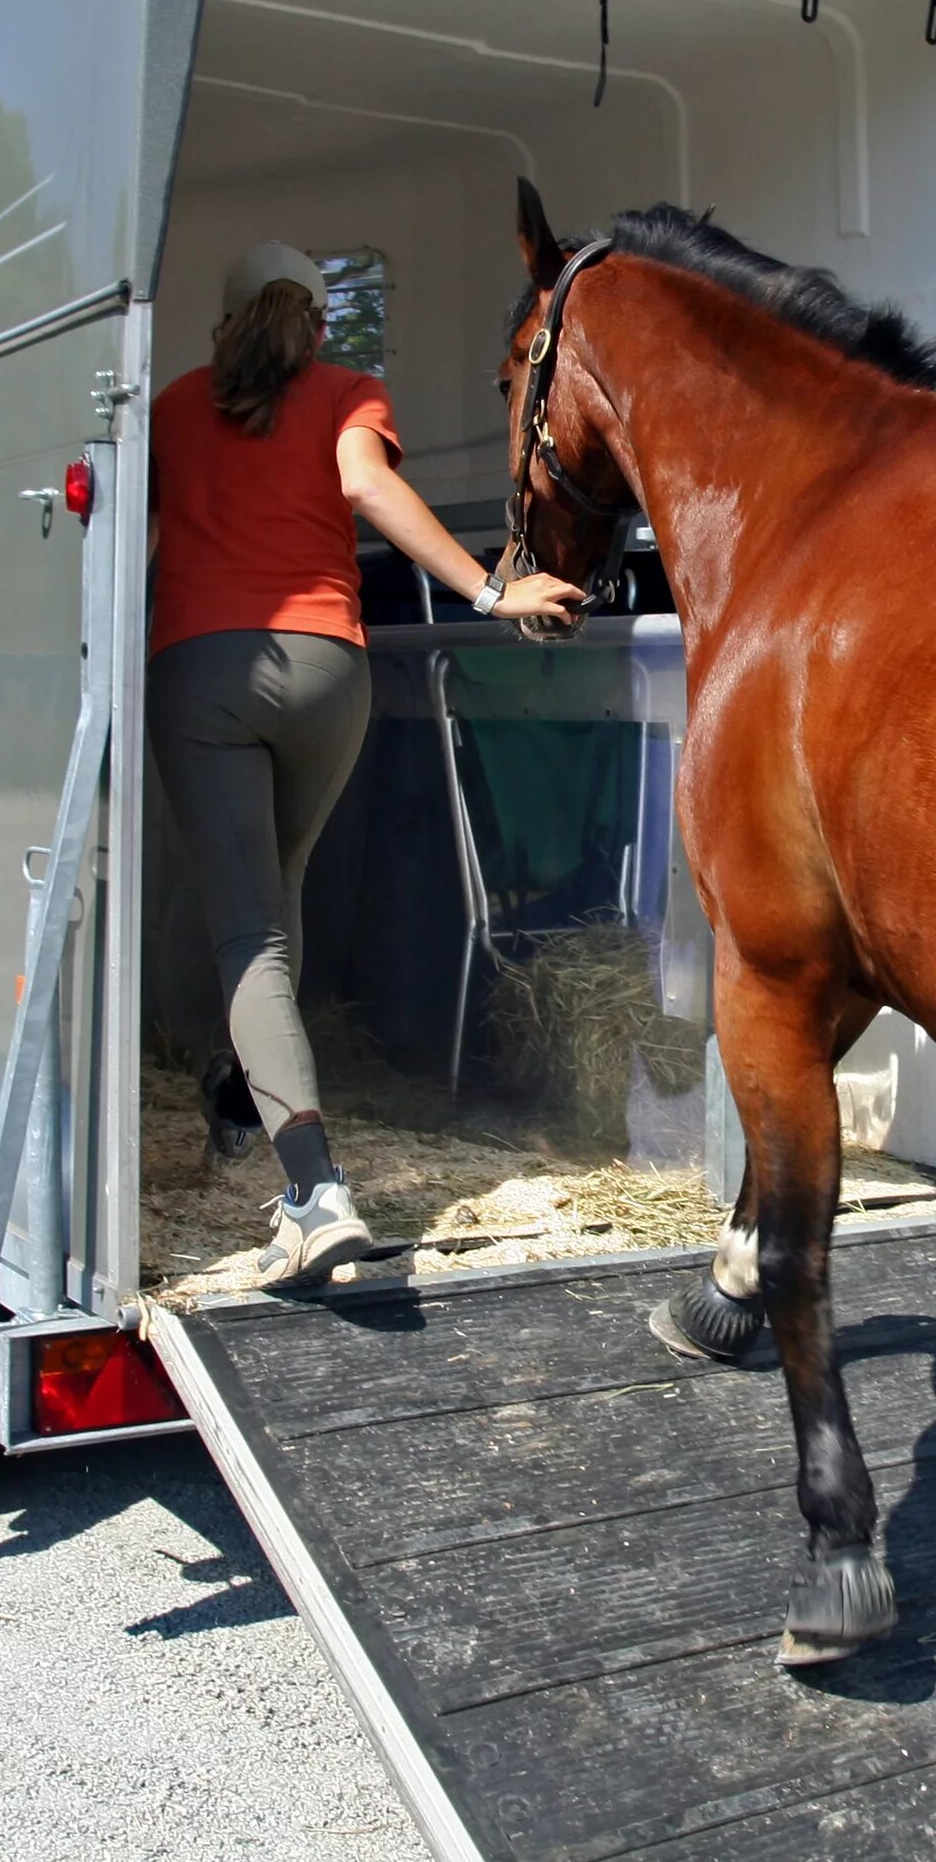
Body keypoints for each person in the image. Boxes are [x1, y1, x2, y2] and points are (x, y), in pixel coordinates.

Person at [149, 241, 585, 1285]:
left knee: (247, 931)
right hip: (329, 672)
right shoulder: (349, 391)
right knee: (281, 896)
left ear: (224, 323)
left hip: (206, 664)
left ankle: (312, 1193)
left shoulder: (173, 405)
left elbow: (153, 542)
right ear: (318, 324)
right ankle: (234, 1081)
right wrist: (490, 592)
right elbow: (364, 487)